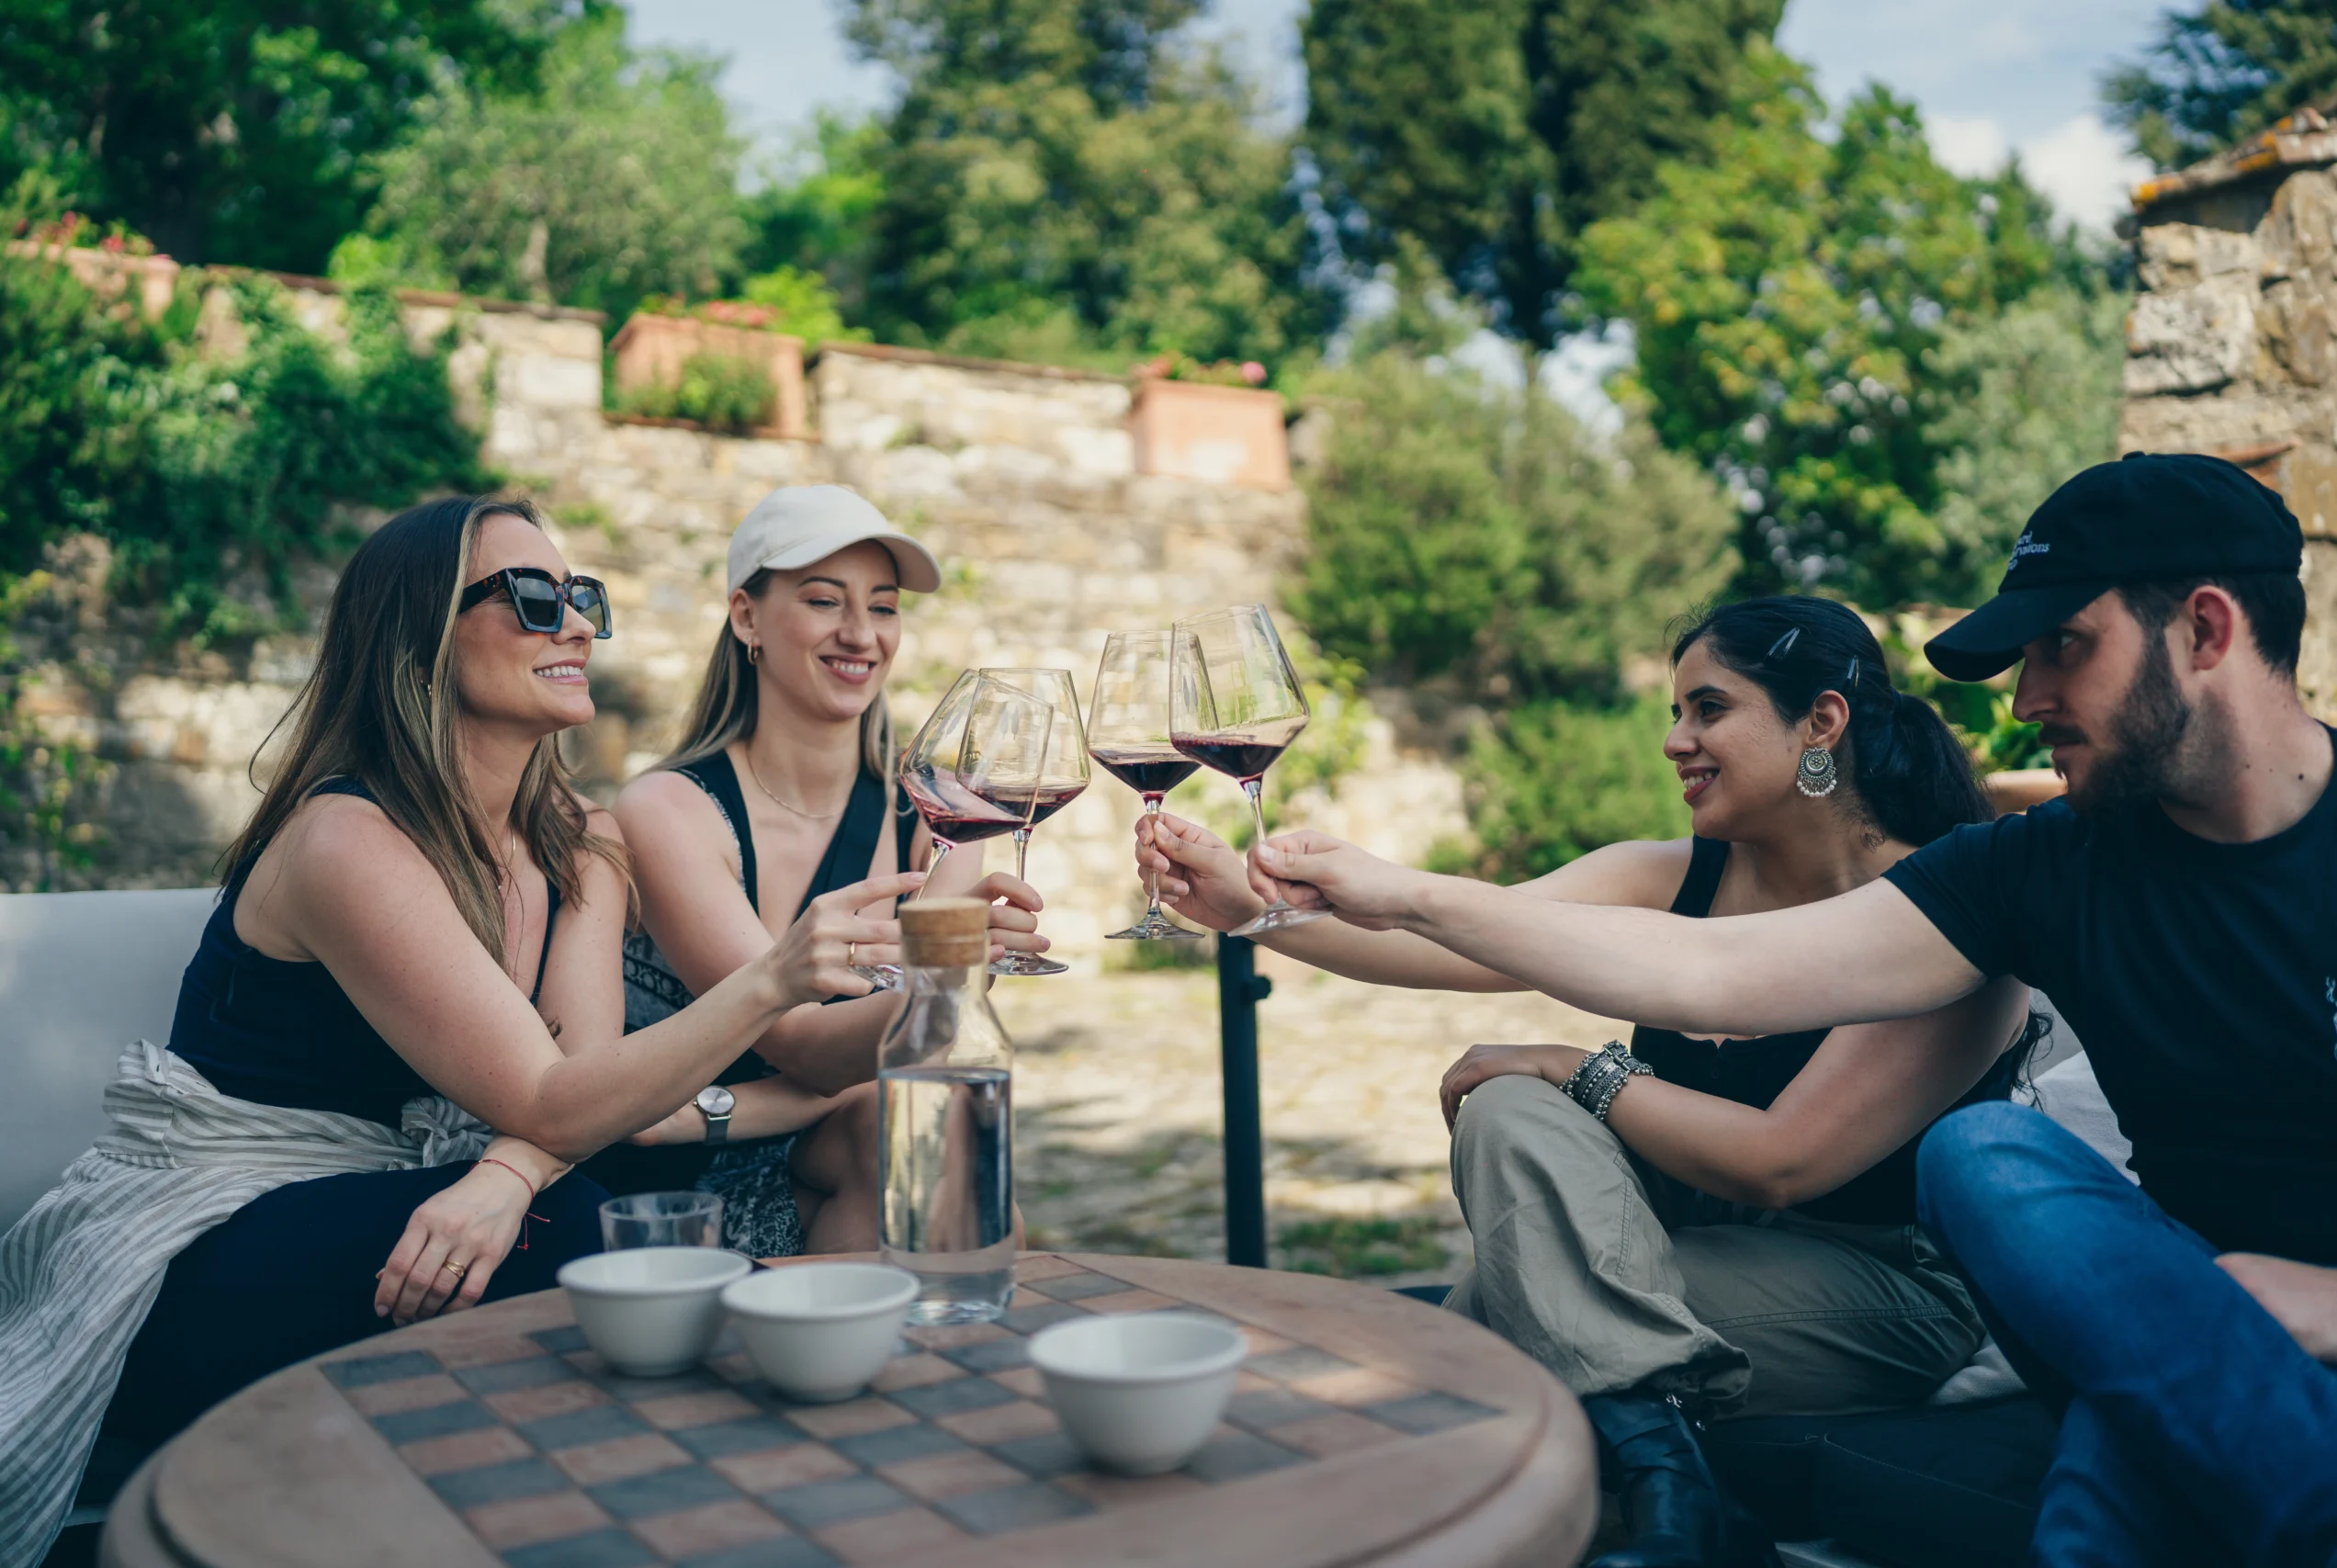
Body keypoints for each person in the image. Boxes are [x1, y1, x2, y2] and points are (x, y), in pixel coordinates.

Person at [1235, 454, 2337, 1567]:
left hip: (2238, 1321)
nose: (2024, 699)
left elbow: (1782, 1157)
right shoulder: (2035, 870)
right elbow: (1716, 974)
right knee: (1985, 1160)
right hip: (2176, 1314)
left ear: (2205, 631)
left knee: (1493, 1310)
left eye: (2065, 646)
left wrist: (2326, 1300)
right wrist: (1371, 893)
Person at [0, 495, 927, 1568]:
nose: (576, 624)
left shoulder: (583, 841)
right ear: (420, 635)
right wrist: (773, 980)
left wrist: (505, 1174)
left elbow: (577, 1085)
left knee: (572, 1218)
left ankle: (784, 1442)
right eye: (534, 598)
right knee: (571, 1240)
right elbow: (544, 1103)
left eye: (584, 598)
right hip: (211, 1228)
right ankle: (872, 1326)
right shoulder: (348, 838)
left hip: (426, 1194)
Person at [1142, 594, 2035, 1568]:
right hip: (1673, 1240)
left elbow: (1782, 1162)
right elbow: (1447, 940)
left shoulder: (1945, 915)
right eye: (1673, 714)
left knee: (1491, 1319)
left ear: (1820, 723)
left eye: (1707, 709)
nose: (1674, 741)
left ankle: (1638, 1497)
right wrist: (1244, 908)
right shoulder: (1670, 876)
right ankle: (1668, 1477)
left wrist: (1576, 1065)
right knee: (1510, 1106)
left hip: (1880, 1285)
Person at [588, 485, 1043, 1256]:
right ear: (747, 617)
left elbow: (925, 1067)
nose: (861, 634)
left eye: (885, 607)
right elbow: (806, 1041)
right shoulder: (672, 809)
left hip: (778, 1133)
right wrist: (952, 978)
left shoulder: (939, 815)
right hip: (662, 1175)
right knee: (934, 1153)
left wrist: (956, 981)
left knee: (945, 1140)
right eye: (826, 601)